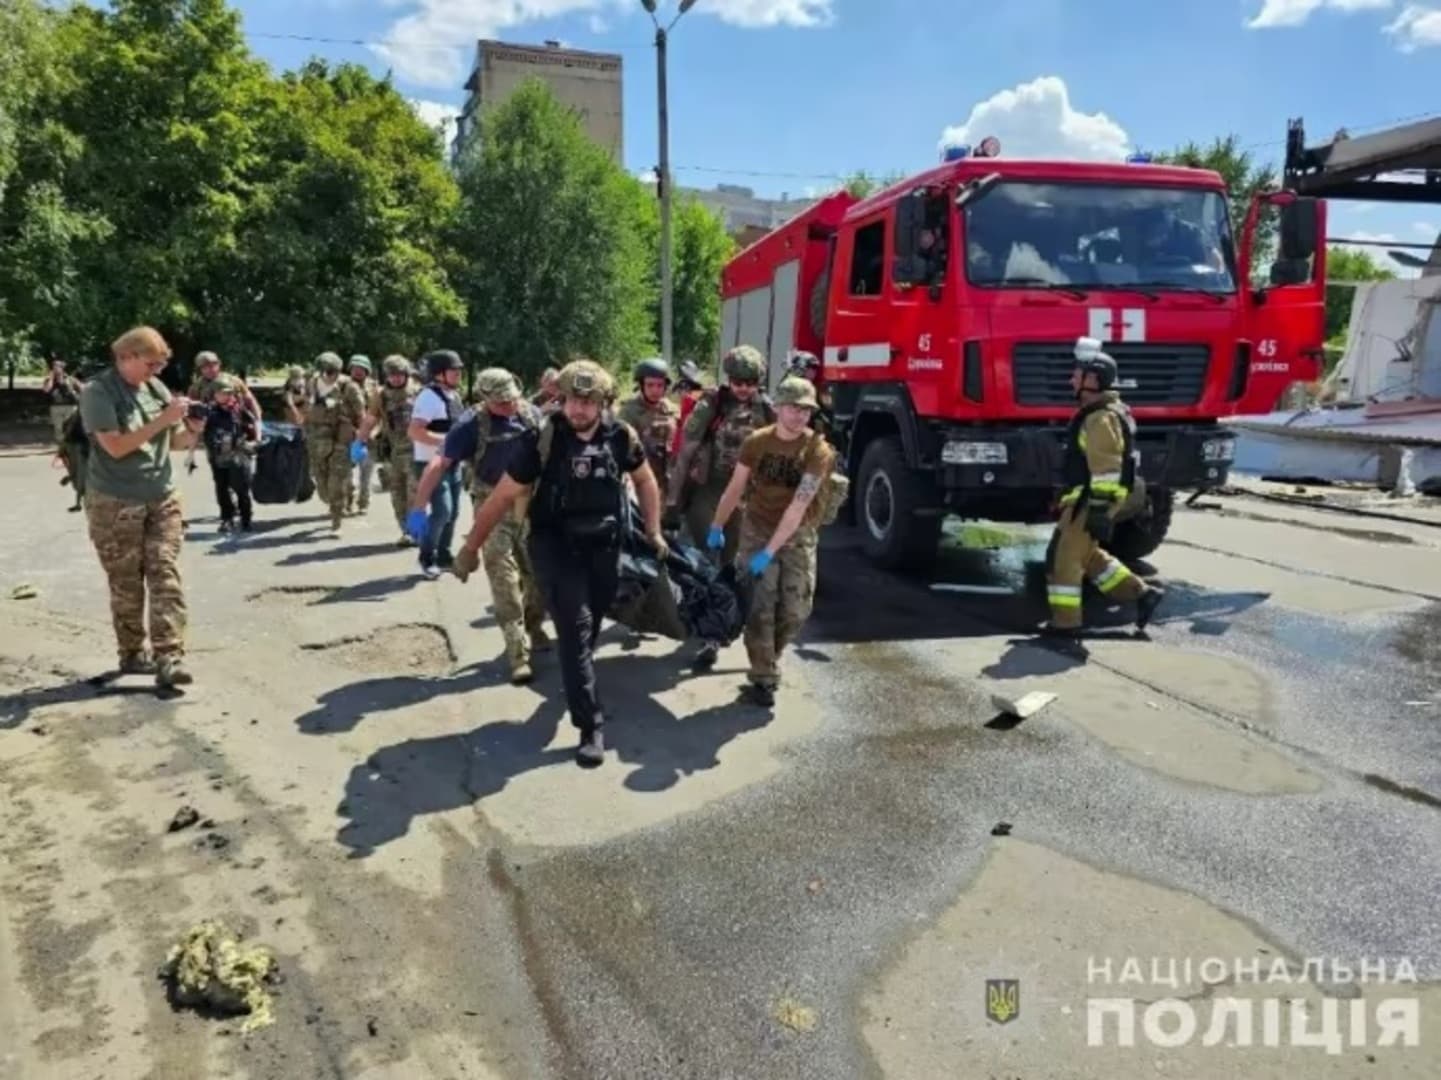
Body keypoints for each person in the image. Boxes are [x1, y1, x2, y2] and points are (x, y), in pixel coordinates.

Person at [456, 359, 666, 766]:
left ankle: (576, 674)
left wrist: (654, 531)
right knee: (575, 628)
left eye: (588, 401)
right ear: (561, 399)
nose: (578, 409)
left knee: (590, 627)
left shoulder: (621, 436)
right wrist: (469, 549)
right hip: (555, 548)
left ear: (604, 402)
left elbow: (645, 480)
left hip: (604, 546)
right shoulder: (542, 440)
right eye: (572, 399)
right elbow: (500, 497)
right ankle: (590, 725)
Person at [79, 326, 205, 687]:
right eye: (151, 363)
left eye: (161, 364)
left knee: (165, 573)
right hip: (115, 501)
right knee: (126, 582)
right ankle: (132, 654)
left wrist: (193, 429)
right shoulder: (98, 393)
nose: (156, 371)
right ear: (126, 357)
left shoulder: (155, 388)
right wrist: (163, 419)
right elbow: (116, 447)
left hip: (162, 496)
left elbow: (175, 442)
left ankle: (169, 657)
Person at [708, 376, 835, 707]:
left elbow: (798, 507)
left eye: (806, 410)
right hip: (757, 527)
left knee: (796, 610)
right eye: (793, 408)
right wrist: (717, 525)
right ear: (778, 406)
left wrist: (769, 552)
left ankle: (770, 654)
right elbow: (736, 487)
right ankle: (763, 677)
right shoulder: (756, 442)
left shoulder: (817, 450)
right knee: (759, 607)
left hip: (798, 533)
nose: (799, 416)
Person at [421, 366, 550, 683]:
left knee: (540, 576)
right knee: (504, 579)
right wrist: (418, 505)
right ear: (485, 399)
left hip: (529, 504)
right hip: (491, 506)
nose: (510, 407)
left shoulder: (531, 414)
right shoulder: (469, 424)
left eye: (513, 400)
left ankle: (533, 625)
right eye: (502, 403)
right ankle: (517, 653)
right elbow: (441, 461)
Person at [1043, 337, 1165, 636]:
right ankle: (1142, 593)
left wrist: (1098, 509)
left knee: (1064, 558)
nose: (1071, 379)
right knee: (1088, 555)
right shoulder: (1100, 413)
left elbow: (1107, 469)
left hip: (1094, 499)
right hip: (1089, 498)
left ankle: (1066, 623)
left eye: (1077, 374)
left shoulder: (1100, 418)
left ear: (1093, 380)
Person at [667, 344, 775, 670]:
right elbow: (686, 451)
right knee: (705, 564)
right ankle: (708, 635)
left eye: (750, 382)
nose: (743, 389)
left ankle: (730, 624)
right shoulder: (711, 404)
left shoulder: (767, 409)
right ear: (728, 379)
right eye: (738, 382)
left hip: (747, 495)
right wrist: (673, 501)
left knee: (734, 566)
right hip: (710, 490)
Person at [406, 349, 465, 578]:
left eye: (460, 370)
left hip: (453, 464)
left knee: (454, 513)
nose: (459, 374)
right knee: (442, 511)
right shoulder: (428, 397)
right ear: (439, 374)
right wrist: (447, 441)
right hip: (430, 464)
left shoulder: (454, 397)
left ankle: (444, 555)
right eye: (454, 370)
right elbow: (415, 431)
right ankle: (426, 557)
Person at [359, 355, 419, 546]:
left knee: (416, 494)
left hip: (417, 450)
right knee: (397, 494)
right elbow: (371, 418)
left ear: (406, 374)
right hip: (393, 452)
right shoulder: (381, 395)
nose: (395, 379)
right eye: (391, 375)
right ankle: (406, 530)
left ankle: (416, 532)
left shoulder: (418, 391)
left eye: (399, 375)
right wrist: (360, 440)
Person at [303, 351, 367, 532]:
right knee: (322, 486)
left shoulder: (349, 387)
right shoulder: (312, 384)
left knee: (335, 483)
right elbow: (307, 408)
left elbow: (361, 414)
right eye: (326, 371)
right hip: (317, 440)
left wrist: (360, 439)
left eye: (333, 372)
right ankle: (336, 501)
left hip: (341, 440)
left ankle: (336, 519)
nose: (329, 375)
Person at [202, 376, 260, 533]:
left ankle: (246, 519)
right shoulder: (209, 412)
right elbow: (199, 432)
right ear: (214, 394)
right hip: (218, 456)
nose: (226, 396)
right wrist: (191, 453)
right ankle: (226, 519)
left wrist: (257, 440)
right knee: (222, 489)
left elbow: (255, 421)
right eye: (222, 393)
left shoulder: (238, 409)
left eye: (229, 393)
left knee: (242, 488)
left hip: (238, 455)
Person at [617, 357, 680, 496]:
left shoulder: (672, 410)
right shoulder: (629, 412)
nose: (655, 390)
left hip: (666, 479)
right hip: (639, 479)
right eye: (650, 385)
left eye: (660, 385)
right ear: (641, 385)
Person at [347, 355, 377, 515]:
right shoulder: (344, 387)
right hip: (348, 435)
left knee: (366, 475)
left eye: (361, 369)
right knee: (347, 476)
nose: (358, 372)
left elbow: (380, 413)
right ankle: (348, 501)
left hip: (370, 437)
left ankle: (363, 503)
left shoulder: (374, 389)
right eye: (355, 368)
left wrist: (373, 431)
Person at [42, 356, 82, 445]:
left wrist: (74, 391)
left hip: (71, 406)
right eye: (54, 367)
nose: (55, 369)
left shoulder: (70, 379)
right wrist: (51, 378)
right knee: (58, 428)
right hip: (55, 406)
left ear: (62, 368)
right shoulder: (49, 379)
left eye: (57, 366)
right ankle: (62, 445)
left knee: (70, 426)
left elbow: (83, 388)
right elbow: (46, 390)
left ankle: (71, 444)